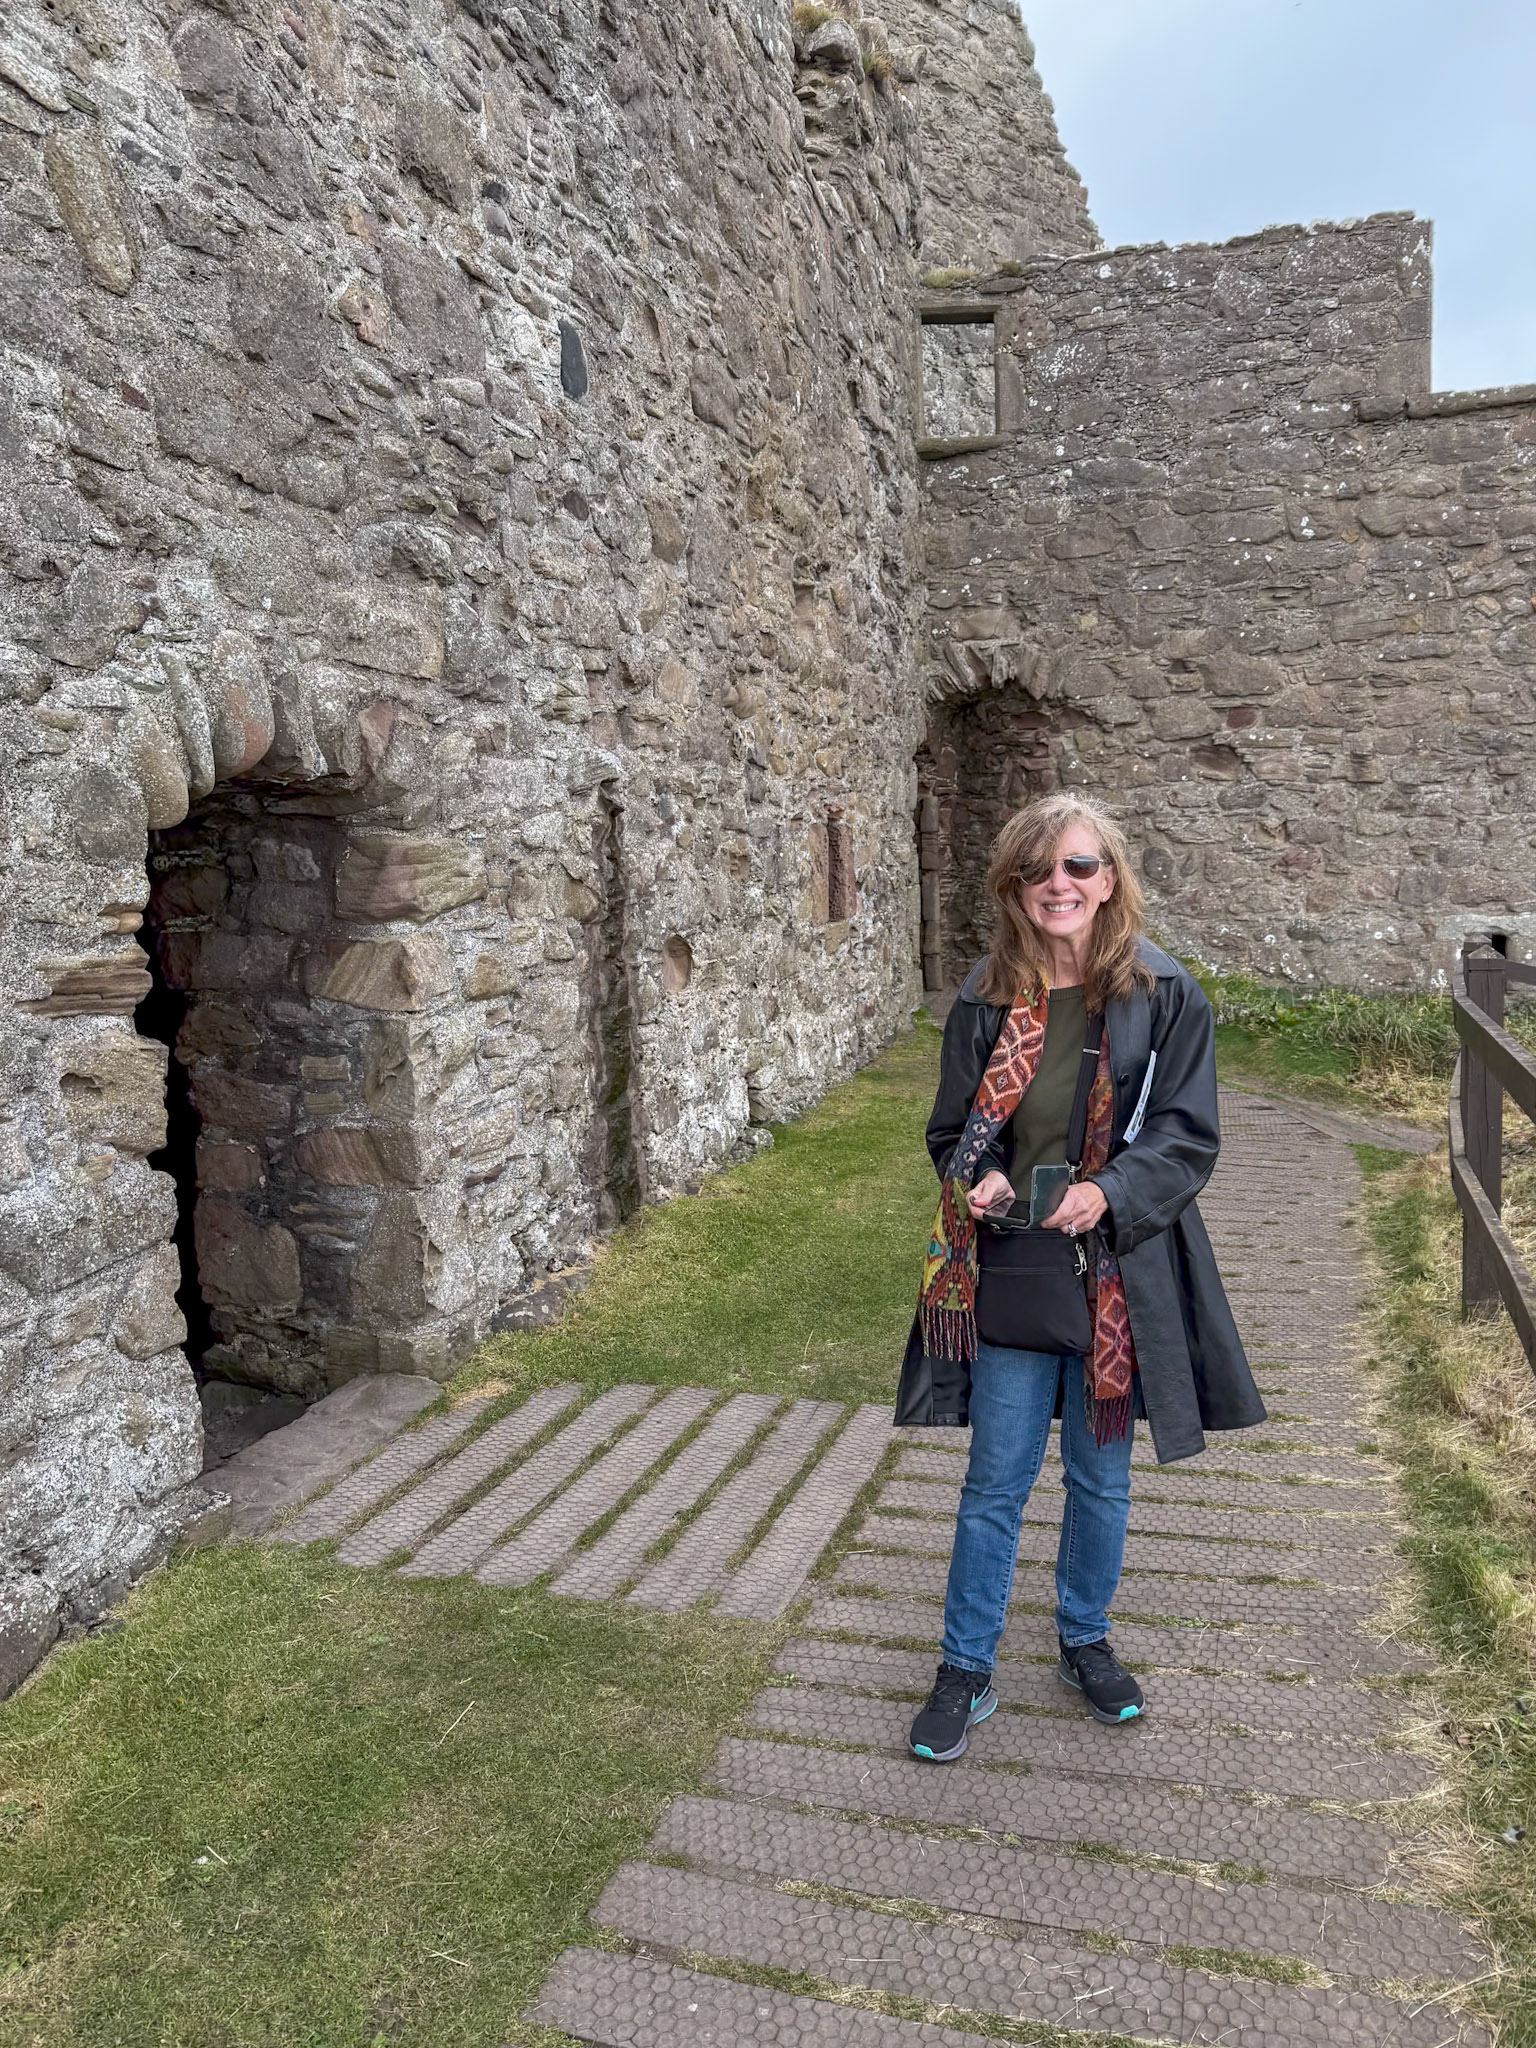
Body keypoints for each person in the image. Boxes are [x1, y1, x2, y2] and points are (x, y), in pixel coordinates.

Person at [895, 792, 1265, 1762]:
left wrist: (1107, 1192)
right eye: (1039, 870)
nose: (1059, 884)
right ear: (1014, 886)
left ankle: (1083, 1639)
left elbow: (1188, 1137)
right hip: (1016, 1267)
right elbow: (950, 1131)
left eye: (1079, 866)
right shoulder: (984, 997)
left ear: (1110, 881)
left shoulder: (1164, 994)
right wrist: (977, 1177)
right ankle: (965, 1667)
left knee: (1099, 1479)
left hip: (1117, 1272)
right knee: (995, 1479)